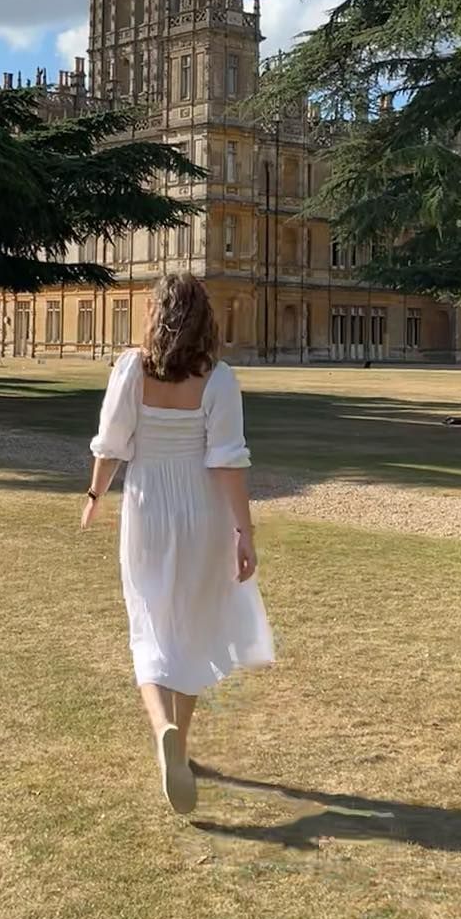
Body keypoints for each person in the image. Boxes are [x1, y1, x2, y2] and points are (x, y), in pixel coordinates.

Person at [82, 275, 273, 815]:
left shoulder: (130, 369)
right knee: (190, 627)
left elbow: (111, 443)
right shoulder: (219, 380)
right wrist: (244, 533)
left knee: (148, 623)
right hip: (201, 513)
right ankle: (180, 745)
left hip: (146, 511)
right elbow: (229, 462)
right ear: (205, 320)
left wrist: (94, 494)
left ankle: (161, 726)